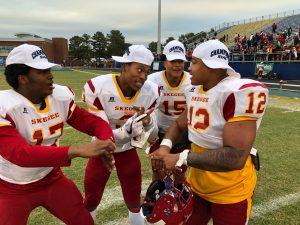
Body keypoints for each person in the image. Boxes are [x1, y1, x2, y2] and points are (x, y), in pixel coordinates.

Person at [150, 40, 269, 225]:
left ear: (211, 67)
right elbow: (180, 125)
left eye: (195, 62)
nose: (190, 68)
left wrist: (181, 158)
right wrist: (165, 147)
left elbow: (235, 157)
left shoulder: (236, 93)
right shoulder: (193, 90)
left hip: (231, 189)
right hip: (198, 184)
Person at [0, 44, 116, 225]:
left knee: (84, 221)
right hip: (10, 188)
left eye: (49, 70)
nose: (50, 75)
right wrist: (75, 150)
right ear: (22, 78)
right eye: (42, 72)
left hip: (50, 178)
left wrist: (106, 143)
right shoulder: (5, 106)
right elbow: (19, 154)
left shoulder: (59, 97)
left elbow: (94, 123)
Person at [82, 45, 159, 225]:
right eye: (139, 69)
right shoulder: (98, 87)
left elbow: (151, 133)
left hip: (127, 151)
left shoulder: (151, 92)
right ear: (124, 67)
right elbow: (101, 132)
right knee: (91, 200)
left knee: (134, 201)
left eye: (146, 72)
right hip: (100, 151)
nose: (143, 76)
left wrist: (148, 123)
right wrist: (127, 131)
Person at [147, 40, 191, 184]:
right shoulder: (153, 80)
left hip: (183, 134)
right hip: (160, 132)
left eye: (180, 61)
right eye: (173, 61)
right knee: (158, 172)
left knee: (179, 172)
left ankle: (179, 200)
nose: (177, 65)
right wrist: (149, 131)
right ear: (164, 62)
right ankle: (156, 199)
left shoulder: (192, 81)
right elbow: (147, 107)